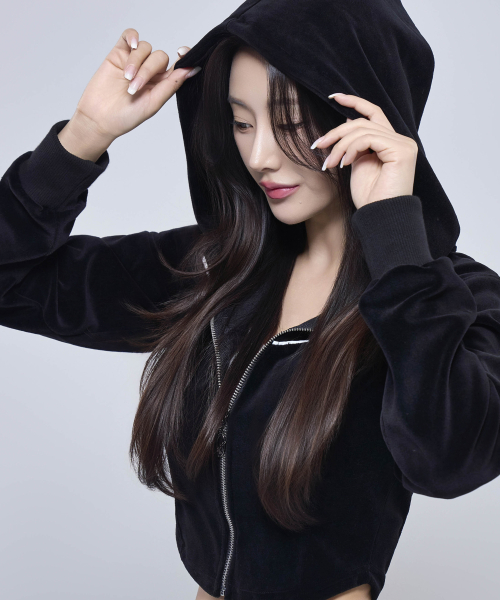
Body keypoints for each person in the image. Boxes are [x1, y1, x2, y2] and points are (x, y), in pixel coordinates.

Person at [2, 0, 500, 599]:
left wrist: (396, 234)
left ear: (364, 117)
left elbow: (448, 462)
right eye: (241, 123)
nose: (260, 155)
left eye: (289, 122)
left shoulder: (447, 296)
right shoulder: (216, 268)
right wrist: (84, 135)